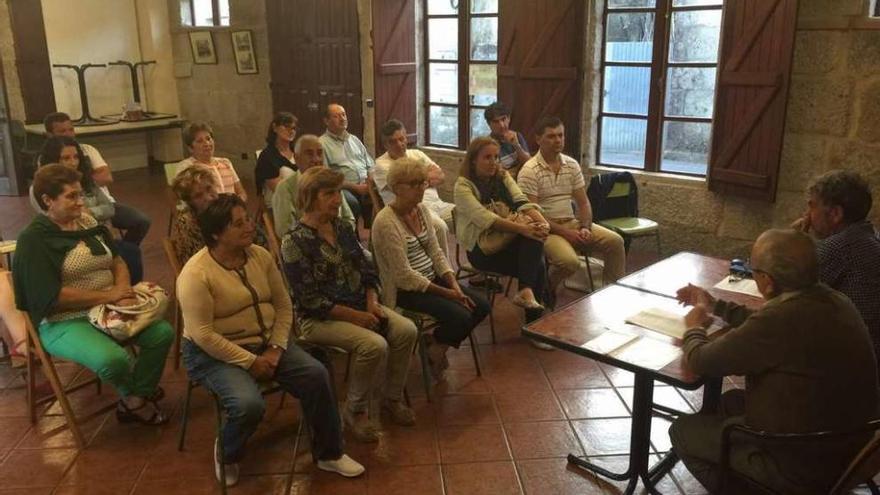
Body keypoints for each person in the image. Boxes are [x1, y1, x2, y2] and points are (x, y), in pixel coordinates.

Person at [670, 229, 879, 494]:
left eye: (753, 269)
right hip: (851, 446)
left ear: (767, 281)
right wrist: (714, 305)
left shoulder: (782, 319)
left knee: (682, 430)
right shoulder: (834, 300)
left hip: (802, 465)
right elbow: (766, 327)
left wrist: (694, 328)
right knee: (729, 402)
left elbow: (701, 361)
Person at [177, 194, 364, 486]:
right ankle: (226, 452)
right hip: (214, 353)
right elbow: (202, 335)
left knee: (317, 375)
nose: (250, 227)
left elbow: (283, 305)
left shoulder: (260, 256)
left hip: (267, 343)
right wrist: (250, 361)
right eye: (238, 224)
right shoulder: (196, 274)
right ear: (216, 233)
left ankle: (330, 453)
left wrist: (276, 347)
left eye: (247, 219)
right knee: (249, 404)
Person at [13, 164, 173, 425]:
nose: (80, 202)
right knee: (113, 360)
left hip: (107, 309)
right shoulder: (34, 239)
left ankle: (135, 398)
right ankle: (135, 397)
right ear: (47, 201)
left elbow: (117, 260)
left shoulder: (86, 222)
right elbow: (51, 296)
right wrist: (110, 295)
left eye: (81, 195)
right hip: (63, 320)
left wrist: (123, 291)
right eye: (71, 196)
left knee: (162, 334)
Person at [281, 167, 418, 442]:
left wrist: (372, 301)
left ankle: (391, 398)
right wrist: (357, 317)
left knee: (407, 330)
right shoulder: (294, 241)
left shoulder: (342, 227)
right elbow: (309, 300)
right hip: (318, 319)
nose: (337, 199)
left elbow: (366, 269)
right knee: (373, 344)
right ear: (309, 197)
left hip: (359, 304)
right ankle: (353, 410)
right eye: (329, 193)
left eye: (338, 192)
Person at [371, 158, 490, 379]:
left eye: (422, 183)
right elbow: (403, 276)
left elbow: (436, 253)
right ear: (396, 188)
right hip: (407, 291)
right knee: (461, 316)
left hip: (433, 280)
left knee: (482, 306)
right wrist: (450, 294)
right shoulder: (385, 222)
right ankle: (436, 348)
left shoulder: (422, 210)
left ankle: (436, 345)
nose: (420, 189)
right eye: (413, 184)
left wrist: (454, 284)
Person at [517, 116, 625, 295]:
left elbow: (583, 203)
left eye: (560, 135)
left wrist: (585, 227)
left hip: (572, 223)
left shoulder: (571, 165)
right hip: (546, 229)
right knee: (569, 262)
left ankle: (612, 293)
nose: (558, 140)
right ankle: (545, 288)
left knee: (615, 242)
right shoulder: (529, 170)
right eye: (551, 136)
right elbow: (533, 215)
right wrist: (566, 233)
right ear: (538, 139)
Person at [453, 136, 551, 328]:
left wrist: (542, 223)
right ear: (474, 160)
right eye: (487, 157)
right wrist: (524, 228)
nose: (493, 162)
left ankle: (527, 296)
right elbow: (486, 219)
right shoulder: (463, 186)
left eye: (496, 157)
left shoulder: (502, 176)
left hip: (507, 239)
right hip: (482, 249)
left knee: (535, 236)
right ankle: (535, 323)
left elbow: (521, 200)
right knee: (537, 266)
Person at [792, 169, 880, 362]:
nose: (806, 215)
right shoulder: (869, 236)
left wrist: (791, 240)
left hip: (850, 364)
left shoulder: (839, 247)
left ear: (835, 214)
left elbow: (787, 293)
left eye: (811, 207)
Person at [35, 136, 144, 284]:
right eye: (65, 158)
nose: (73, 163)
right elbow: (56, 217)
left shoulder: (85, 180)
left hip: (100, 233)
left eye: (76, 157)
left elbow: (109, 207)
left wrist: (92, 212)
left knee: (132, 250)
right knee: (121, 254)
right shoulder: (42, 187)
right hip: (75, 239)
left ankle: (131, 289)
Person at [44, 112, 151, 245]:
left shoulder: (87, 150)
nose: (69, 134)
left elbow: (106, 178)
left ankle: (121, 251)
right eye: (62, 131)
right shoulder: (46, 164)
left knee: (141, 222)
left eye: (71, 129)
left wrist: (91, 210)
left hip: (101, 205)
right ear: (50, 135)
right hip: (76, 221)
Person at [374, 119, 454, 255]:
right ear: (385, 145)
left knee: (468, 215)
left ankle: (479, 264)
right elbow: (407, 192)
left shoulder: (417, 154)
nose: (399, 144)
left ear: (406, 138)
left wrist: (417, 181)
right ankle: (444, 272)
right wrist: (426, 177)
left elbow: (440, 176)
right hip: (411, 211)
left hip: (437, 204)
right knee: (440, 227)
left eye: (401, 139)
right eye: (393, 141)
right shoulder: (381, 165)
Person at [272, 134, 355, 237]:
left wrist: (338, 237)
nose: (316, 160)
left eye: (320, 153)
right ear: (296, 158)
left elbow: (349, 218)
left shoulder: (332, 183)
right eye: (309, 154)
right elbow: (285, 230)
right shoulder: (285, 188)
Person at [319, 104, 374, 223]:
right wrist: (357, 188)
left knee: (387, 194)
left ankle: (377, 235)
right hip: (344, 188)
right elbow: (327, 178)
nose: (342, 118)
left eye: (343, 114)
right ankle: (351, 237)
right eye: (336, 116)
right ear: (326, 121)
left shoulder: (354, 140)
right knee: (350, 203)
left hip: (366, 184)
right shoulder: (322, 144)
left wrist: (370, 181)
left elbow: (370, 165)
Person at [176, 121, 247, 202]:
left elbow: (241, 192)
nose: (207, 143)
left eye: (208, 139)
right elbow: (189, 198)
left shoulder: (225, 162)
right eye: (200, 141)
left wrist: (238, 203)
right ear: (190, 148)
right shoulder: (187, 166)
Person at [170, 165, 220, 265]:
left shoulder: (226, 207)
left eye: (209, 188)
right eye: (198, 196)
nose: (208, 197)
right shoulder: (187, 223)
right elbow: (203, 262)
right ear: (189, 202)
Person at [254, 112, 298, 207]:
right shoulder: (267, 156)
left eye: (293, 128)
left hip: (300, 202)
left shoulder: (298, 151)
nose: (291, 131)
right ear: (274, 128)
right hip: (278, 206)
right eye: (286, 126)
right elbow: (280, 190)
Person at [484, 102, 530, 178]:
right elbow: (496, 175)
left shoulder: (517, 136)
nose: (502, 125)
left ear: (509, 119)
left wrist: (516, 145)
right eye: (496, 122)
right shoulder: (487, 144)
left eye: (503, 119)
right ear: (489, 124)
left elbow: (529, 163)